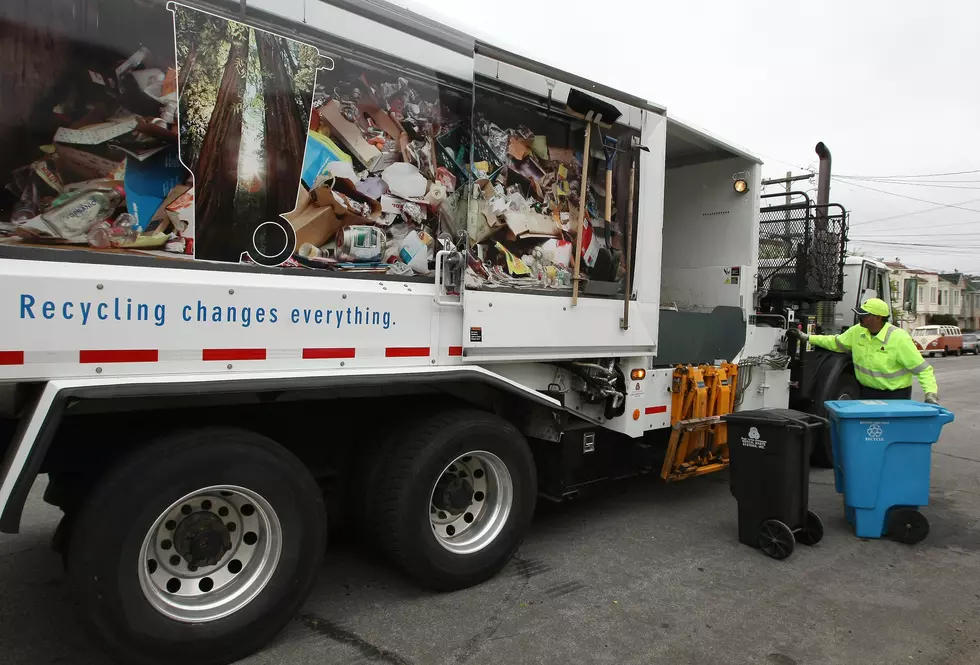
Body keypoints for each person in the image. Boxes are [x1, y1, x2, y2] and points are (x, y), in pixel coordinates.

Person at [787, 297, 939, 403]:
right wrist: (806, 337)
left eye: (864, 315)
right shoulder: (857, 331)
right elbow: (834, 342)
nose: (859, 318)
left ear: (878, 318)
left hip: (895, 397)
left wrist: (931, 394)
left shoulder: (899, 339)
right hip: (867, 393)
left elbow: (923, 370)